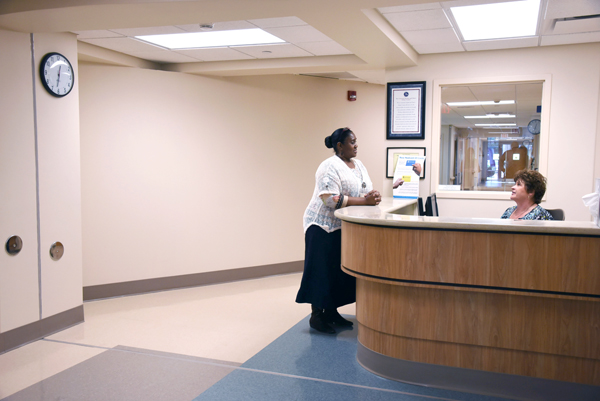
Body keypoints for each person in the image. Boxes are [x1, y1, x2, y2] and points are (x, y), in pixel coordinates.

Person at [296, 127, 381, 334]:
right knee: (320, 271)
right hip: (321, 226)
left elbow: (363, 189)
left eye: (356, 141)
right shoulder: (328, 166)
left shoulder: (358, 165)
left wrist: (373, 195)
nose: (356, 145)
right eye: (352, 142)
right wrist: (364, 201)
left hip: (342, 226)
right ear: (340, 146)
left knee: (336, 271)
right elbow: (328, 199)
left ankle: (331, 313)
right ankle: (316, 316)